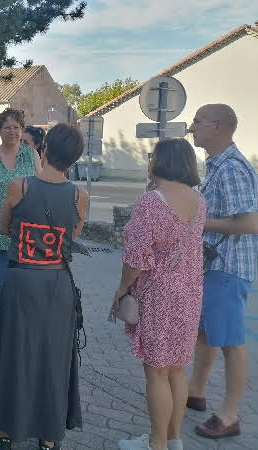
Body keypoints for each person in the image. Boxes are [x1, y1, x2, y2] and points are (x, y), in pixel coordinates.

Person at [0, 123, 87, 450]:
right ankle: (48, 436)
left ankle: (6, 431)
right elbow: (72, 238)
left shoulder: (20, 186)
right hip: (57, 282)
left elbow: (4, 227)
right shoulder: (80, 196)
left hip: (21, 280)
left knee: (15, 353)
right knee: (54, 357)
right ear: (74, 159)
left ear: (43, 150)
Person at [114, 139, 206, 450]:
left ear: (161, 161)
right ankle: (173, 439)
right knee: (176, 369)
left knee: (155, 371)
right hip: (190, 292)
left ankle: (156, 444)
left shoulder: (152, 202)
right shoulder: (199, 199)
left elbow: (136, 258)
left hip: (159, 296)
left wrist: (122, 289)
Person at [185, 104, 258, 440]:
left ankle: (229, 416)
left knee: (230, 342)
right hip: (214, 266)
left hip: (227, 268)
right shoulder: (218, 166)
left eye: (198, 122)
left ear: (218, 127)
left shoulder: (231, 169)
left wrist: (195, 221)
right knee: (206, 333)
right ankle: (195, 391)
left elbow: (250, 223)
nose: (192, 127)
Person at [0, 108, 42, 288]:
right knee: (4, 283)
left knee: (25, 284)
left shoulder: (31, 155)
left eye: (16, 127)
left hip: (27, 233)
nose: (12, 131)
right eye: (7, 127)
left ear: (22, 130)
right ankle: (9, 316)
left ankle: (20, 316)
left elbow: (41, 188)